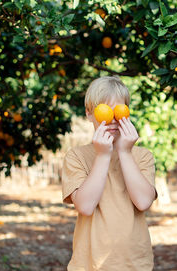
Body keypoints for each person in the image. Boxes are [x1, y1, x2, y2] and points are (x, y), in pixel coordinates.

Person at [62, 76, 157, 271]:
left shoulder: (142, 156)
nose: (113, 119)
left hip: (135, 264)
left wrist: (124, 152)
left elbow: (143, 202)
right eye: (105, 110)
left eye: (119, 110)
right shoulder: (76, 157)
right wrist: (103, 156)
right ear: (89, 114)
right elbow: (86, 206)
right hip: (89, 265)